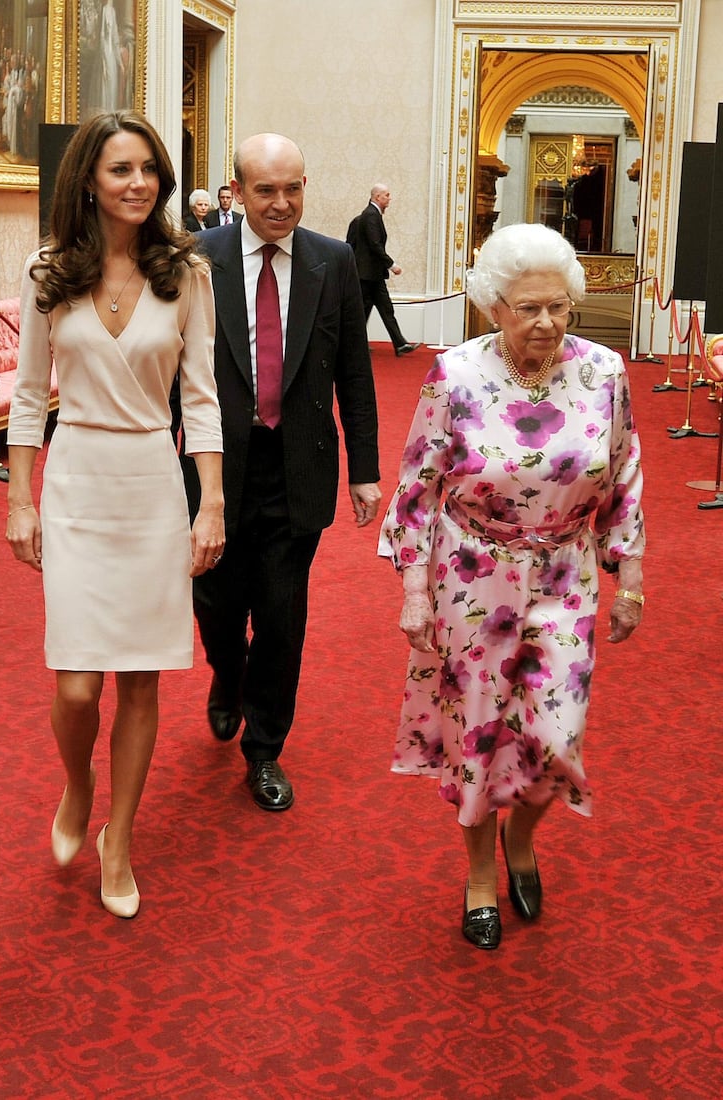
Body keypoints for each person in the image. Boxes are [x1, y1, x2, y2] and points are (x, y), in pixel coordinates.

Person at [378, 222, 645, 950]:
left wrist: (632, 578)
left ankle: (522, 837)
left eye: (560, 307)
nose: (547, 323)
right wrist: (413, 589)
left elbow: (622, 473)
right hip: (474, 575)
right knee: (481, 730)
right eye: (529, 308)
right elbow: (418, 486)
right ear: (494, 306)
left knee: (555, 740)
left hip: (567, 571)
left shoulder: (604, 373)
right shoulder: (456, 375)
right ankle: (479, 876)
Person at [5, 110, 224, 918]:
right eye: (121, 171)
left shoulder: (186, 273)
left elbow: (201, 400)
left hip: (152, 487)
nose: (139, 185)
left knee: (139, 681)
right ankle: (77, 786)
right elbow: (29, 399)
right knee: (75, 686)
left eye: (149, 171)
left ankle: (119, 837)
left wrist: (212, 505)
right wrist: (19, 499)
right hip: (77, 487)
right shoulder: (48, 272)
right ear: (88, 183)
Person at [173, 132, 381, 811]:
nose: (283, 203)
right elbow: (170, 367)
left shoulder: (334, 261)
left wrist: (365, 469)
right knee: (216, 604)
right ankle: (226, 674)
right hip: (214, 470)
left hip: (300, 470)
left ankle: (265, 749)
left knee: (283, 616)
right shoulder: (196, 259)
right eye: (267, 190)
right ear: (236, 192)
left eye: (294, 188)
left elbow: (355, 368)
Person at [347, 184, 420, 357]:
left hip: (370, 275)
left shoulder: (369, 215)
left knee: (378, 309)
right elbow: (374, 245)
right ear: (377, 197)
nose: (389, 198)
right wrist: (391, 264)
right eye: (387, 195)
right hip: (369, 275)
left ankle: (398, 344)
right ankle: (356, 346)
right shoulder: (371, 215)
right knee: (373, 310)